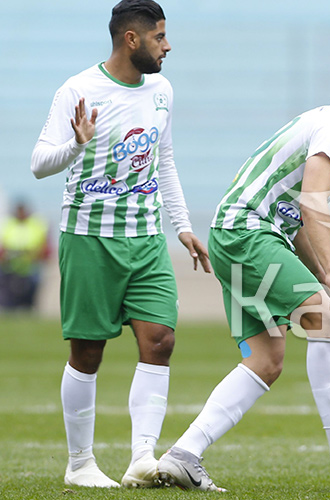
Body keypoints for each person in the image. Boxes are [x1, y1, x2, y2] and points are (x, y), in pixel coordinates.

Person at [155, 48, 330, 491]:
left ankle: (184, 454)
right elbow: (313, 203)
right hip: (246, 232)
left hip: (239, 233)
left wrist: (323, 275)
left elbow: (297, 220)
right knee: (323, 315)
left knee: (266, 360)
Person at [31, 0, 211, 489]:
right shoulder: (79, 89)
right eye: (159, 37)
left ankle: (142, 458)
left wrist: (182, 225)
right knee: (87, 354)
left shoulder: (161, 89)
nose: (167, 46)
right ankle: (81, 465)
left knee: (161, 341)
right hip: (90, 238)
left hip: (147, 239)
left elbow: (164, 159)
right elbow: (39, 162)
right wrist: (77, 144)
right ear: (132, 40)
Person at [0, 201, 51, 310]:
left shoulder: (36, 223)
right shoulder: (9, 224)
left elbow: (44, 243)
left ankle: (29, 306)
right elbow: (4, 244)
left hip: (31, 262)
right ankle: (8, 307)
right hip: (11, 263)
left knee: (33, 283)